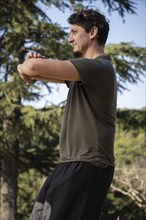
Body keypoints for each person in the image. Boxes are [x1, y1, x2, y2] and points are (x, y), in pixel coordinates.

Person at [17, 8, 117, 220]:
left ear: (93, 33)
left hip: (87, 164)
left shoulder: (98, 68)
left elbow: (32, 67)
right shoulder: (85, 74)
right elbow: (35, 71)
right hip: (73, 163)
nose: (69, 38)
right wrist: (28, 68)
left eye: (73, 31)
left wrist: (28, 66)